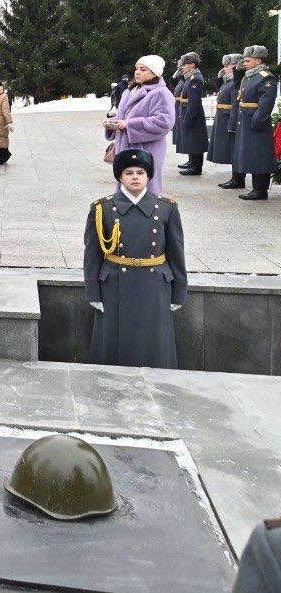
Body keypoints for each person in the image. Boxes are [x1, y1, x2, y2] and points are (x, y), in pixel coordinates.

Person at [84, 147, 185, 369]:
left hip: (155, 286)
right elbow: (92, 255)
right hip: (115, 286)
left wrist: (179, 292)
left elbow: (176, 254)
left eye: (140, 172)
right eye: (129, 173)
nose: (135, 177)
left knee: (154, 345)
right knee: (113, 349)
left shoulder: (166, 208)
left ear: (149, 176)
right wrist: (93, 290)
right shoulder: (103, 208)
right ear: (120, 177)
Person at [105, 55, 176, 196]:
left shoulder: (161, 93)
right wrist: (112, 124)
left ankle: (151, 217)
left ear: (155, 73)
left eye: (143, 69)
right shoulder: (128, 91)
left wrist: (129, 125)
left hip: (147, 150)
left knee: (147, 189)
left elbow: (164, 122)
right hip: (125, 149)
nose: (137, 72)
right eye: (136, 69)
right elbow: (124, 117)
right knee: (126, 189)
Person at [231, 45, 277, 201]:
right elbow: (237, 89)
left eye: (247, 60)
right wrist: (238, 69)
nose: (244, 63)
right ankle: (257, 188)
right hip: (245, 119)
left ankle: (260, 190)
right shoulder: (249, 76)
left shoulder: (266, 77)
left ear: (258, 60)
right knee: (251, 154)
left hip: (257, 120)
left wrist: (257, 121)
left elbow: (266, 103)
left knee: (260, 155)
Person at [208, 54, 242, 181]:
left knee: (233, 150)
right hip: (223, 117)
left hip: (229, 118)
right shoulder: (229, 81)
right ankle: (235, 178)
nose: (226, 68)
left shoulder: (236, 83)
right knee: (229, 149)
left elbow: (235, 104)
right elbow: (221, 92)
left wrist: (232, 123)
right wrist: (220, 78)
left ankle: (237, 178)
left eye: (228, 66)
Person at [174, 53, 209, 176]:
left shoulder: (195, 79)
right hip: (186, 110)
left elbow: (193, 102)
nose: (182, 67)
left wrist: (188, 118)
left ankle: (196, 167)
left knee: (195, 140)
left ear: (192, 65)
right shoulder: (189, 77)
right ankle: (191, 162)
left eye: (185, 64)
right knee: (190, 139)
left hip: (193, 113)